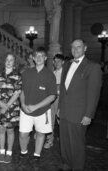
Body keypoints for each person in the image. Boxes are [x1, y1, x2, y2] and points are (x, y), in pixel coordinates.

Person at [58, 39, 102, 171]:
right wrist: (59, 108)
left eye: (79, 47)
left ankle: (77, 168)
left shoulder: (92, 67)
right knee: (64, 142)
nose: (75, 50)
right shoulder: (66, 65)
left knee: (77, 144)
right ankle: (66, 164)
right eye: (73, 47)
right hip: (65, 111)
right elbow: (63, 89)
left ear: (85, 48)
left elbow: (94, 93)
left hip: (79, 113)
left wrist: (88, 115)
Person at [19, 47, 56, 161]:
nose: (39, 58)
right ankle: (23, 152)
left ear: (45, 58)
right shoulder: (26, 73)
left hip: (42, 110)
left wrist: (36, 106)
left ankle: (37, 154)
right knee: (23, 134)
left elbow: (52, 96)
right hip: (26, 110)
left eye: (41, 56)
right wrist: (23, 105)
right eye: (36, 56)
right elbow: (22, 91)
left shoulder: (50, 75)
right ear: (33, 58)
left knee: (40, 133)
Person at [0, 53, 22, 163]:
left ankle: (9, 153)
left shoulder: (18, 76)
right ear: (4, 61)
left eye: (11, 60)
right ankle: (2, 152)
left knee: (10, 131)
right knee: (1, 130)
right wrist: (0, 102)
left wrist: (7, 106)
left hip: (12, 108)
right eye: (7, 59)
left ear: (14, 62)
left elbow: (17, 93)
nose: (9, 61)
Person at [44, 54, 65, 149]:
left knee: (62, 120)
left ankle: (65, 140)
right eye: (55, 61)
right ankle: (50, 140)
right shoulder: (52, 73)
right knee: (50, 119)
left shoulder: (66, 73)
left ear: (63, 62)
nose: (57, 63)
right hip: (52, 99)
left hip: (62, 99)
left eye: (59, 61)